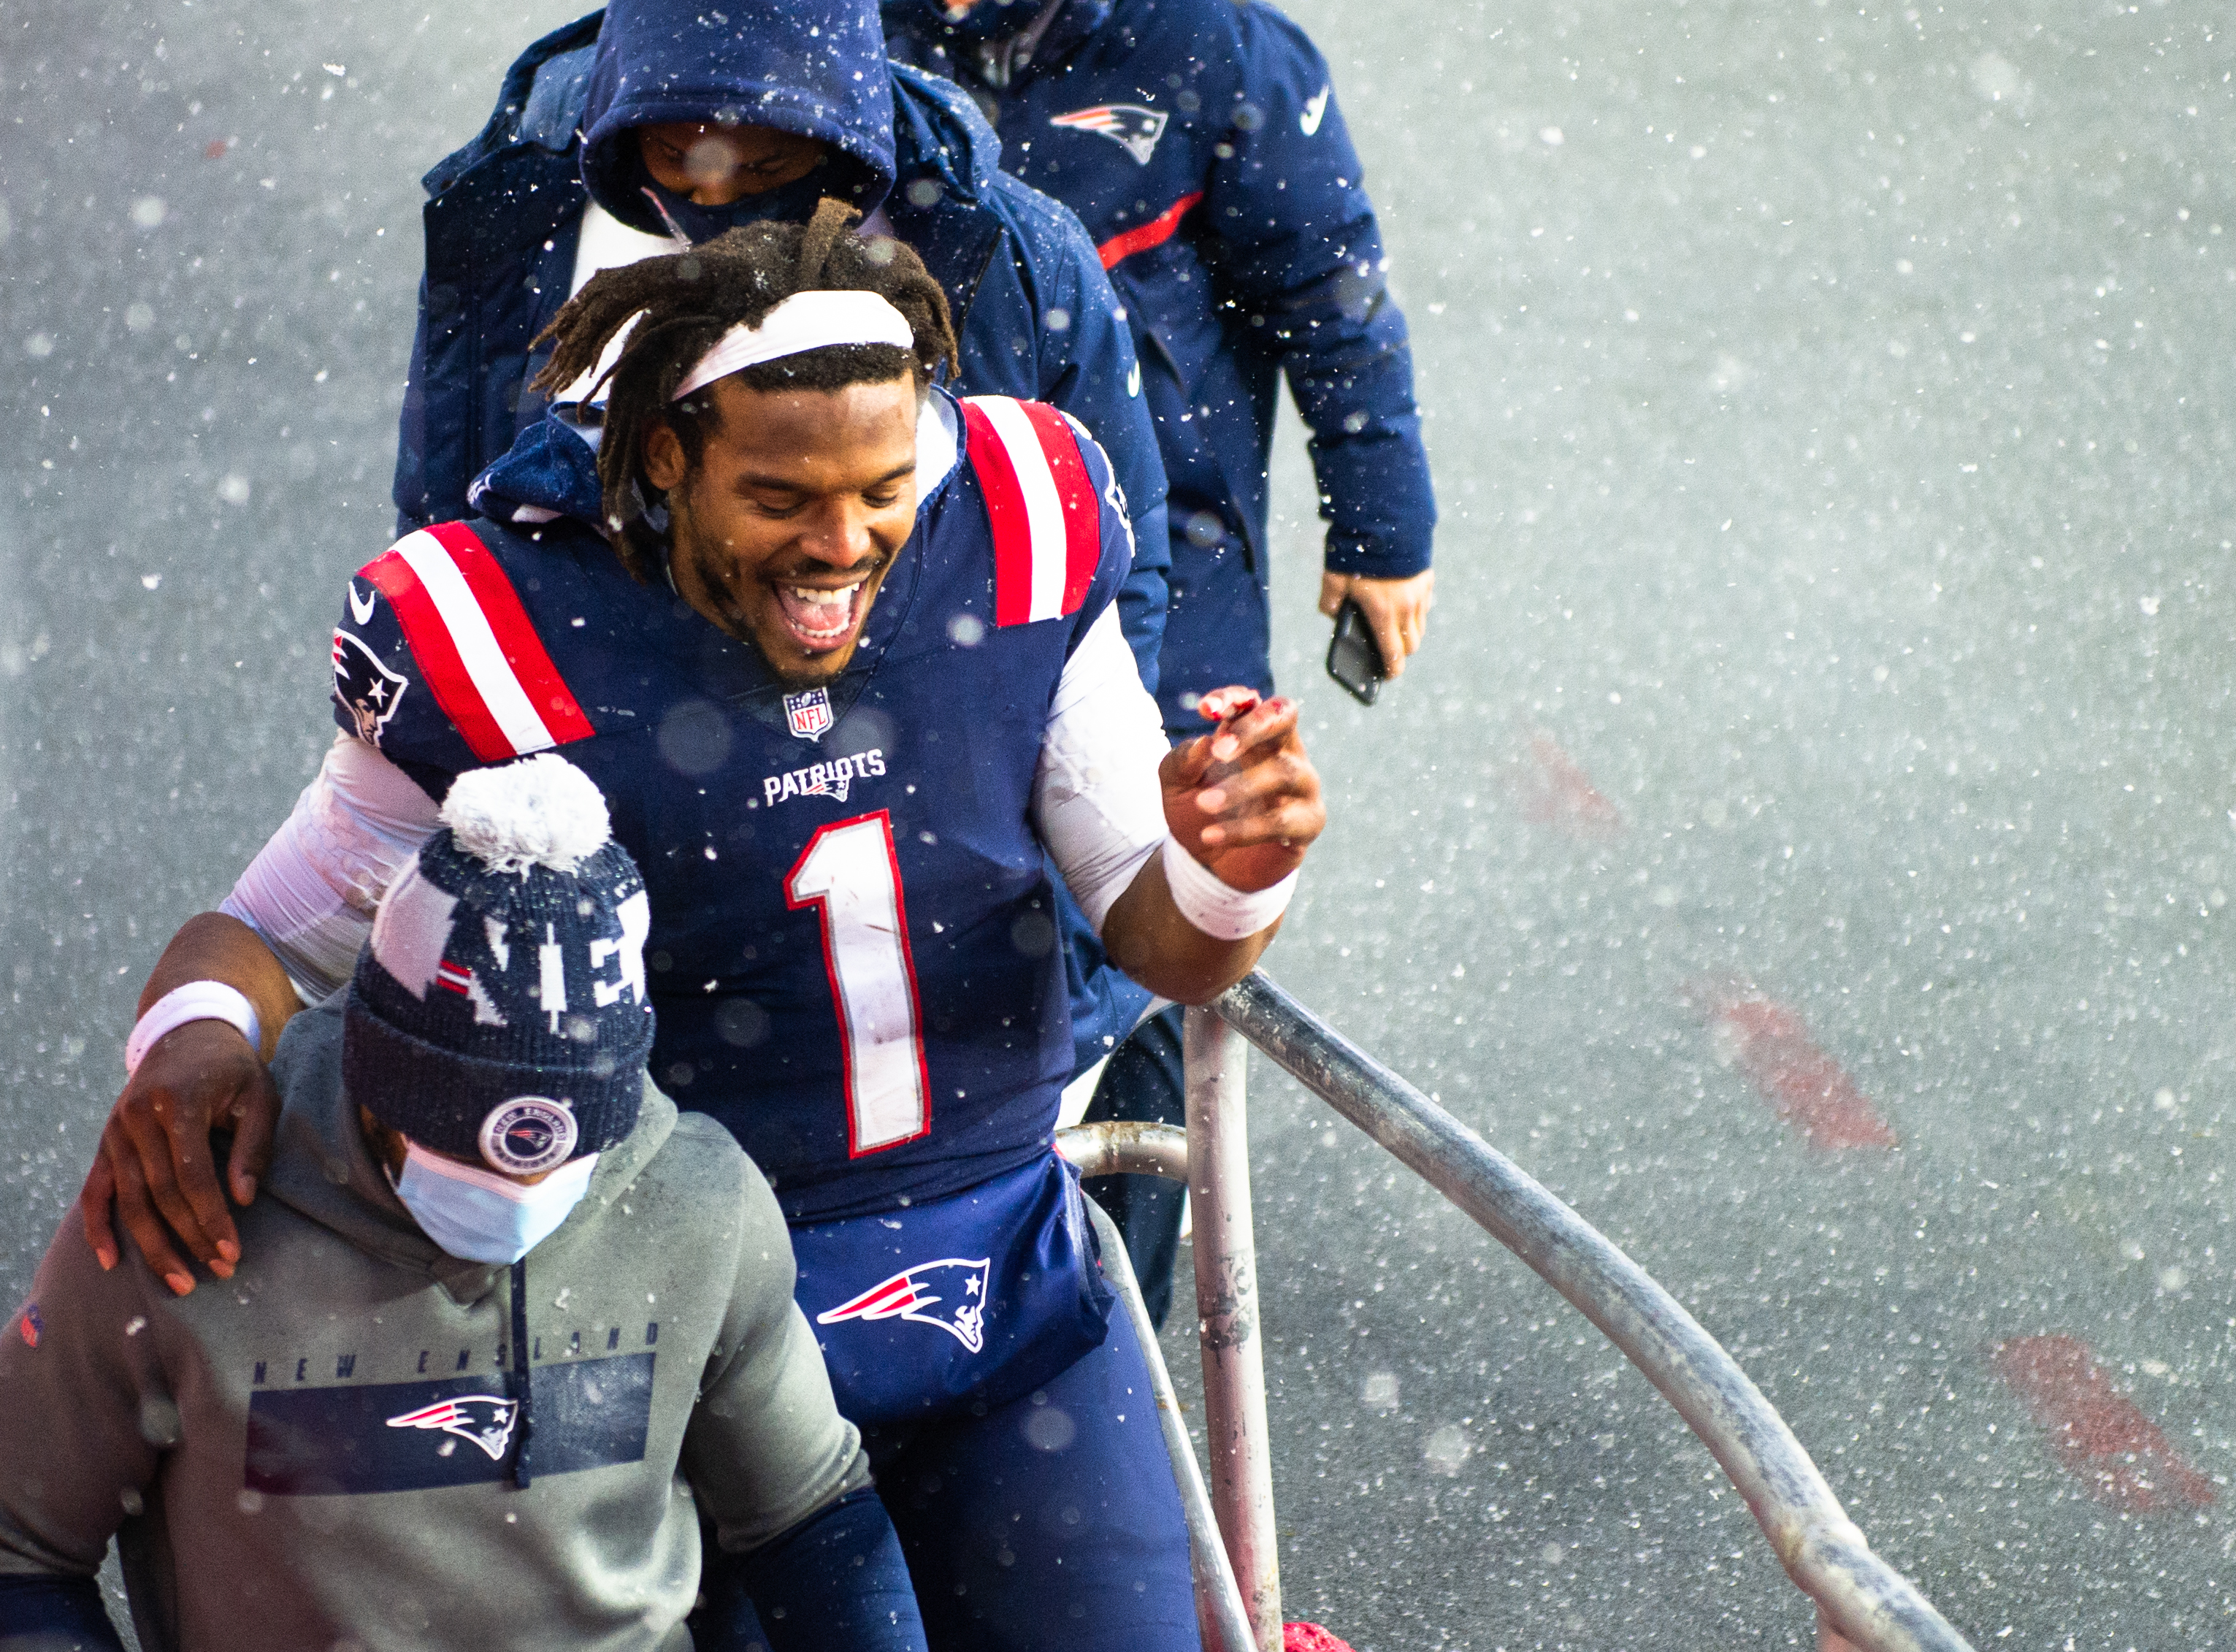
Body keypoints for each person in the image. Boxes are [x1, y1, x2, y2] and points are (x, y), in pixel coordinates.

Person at [82, 205, 1323, 1652]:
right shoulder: (505, 624)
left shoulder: (1022, 514)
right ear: (666, 459)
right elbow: (263, 937)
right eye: (783, 497)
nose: (842, 541)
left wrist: (1235, 867)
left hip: (1003, 1285)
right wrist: (189, 1056)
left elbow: (1159, 938)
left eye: (881, 485)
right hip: (678, 1331)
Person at [402, 0, 1181, 1111]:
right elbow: (447, 544)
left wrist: (1054, 880)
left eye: (763, 158)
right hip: (629, 927)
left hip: (948, 956)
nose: (715, 191)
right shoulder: (520, 217)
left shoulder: (996, 250)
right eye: (676, 157)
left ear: (849, 133)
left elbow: (1113, 576)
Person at [0, 757, 924, 1652]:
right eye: (455, 1149)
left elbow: (810, 1516)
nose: (513, 1201)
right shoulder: (184, 1203)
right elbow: (20, 1553)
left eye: (551, 1164)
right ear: (368, 1066)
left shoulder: (700, 1206)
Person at [880, 0, 1440, 1320]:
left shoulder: (1210, 45)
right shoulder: (831, 37)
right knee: (953, 897)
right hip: (909, 588)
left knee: (1136, 924)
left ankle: (1102, 1314)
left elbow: (1330, 290)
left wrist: (1384, 524)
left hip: (1166, 583)